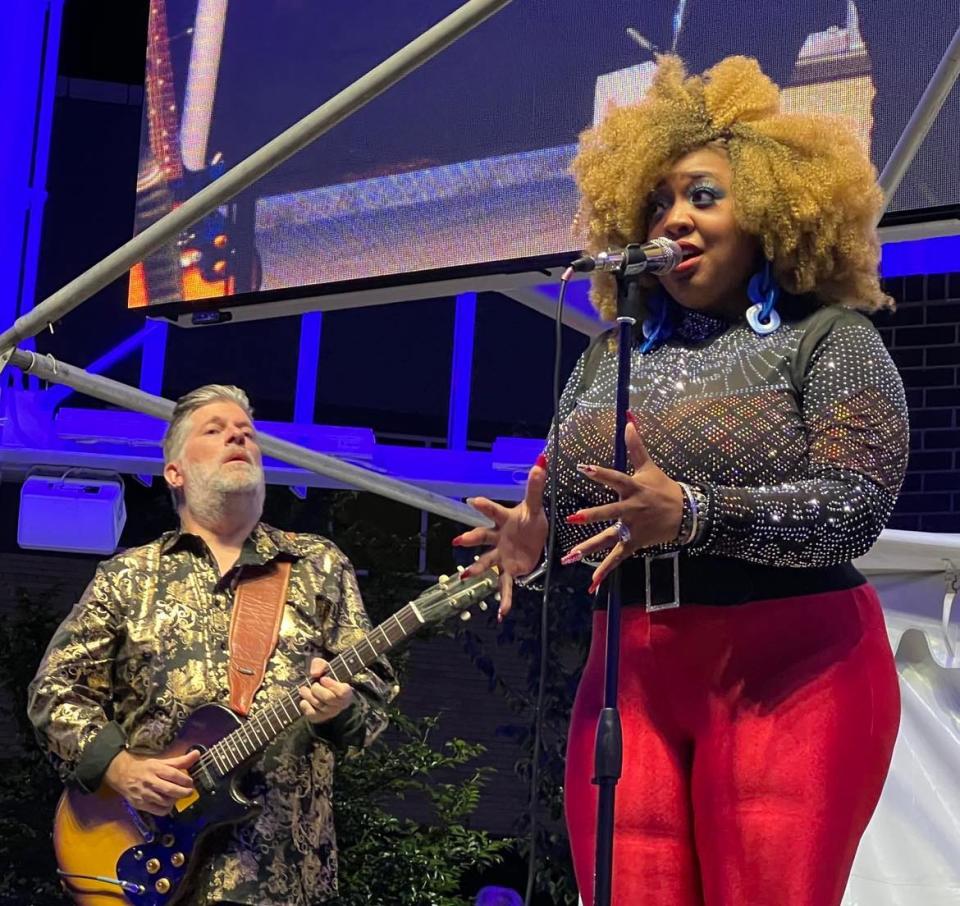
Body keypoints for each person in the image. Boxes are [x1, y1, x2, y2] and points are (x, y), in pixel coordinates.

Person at [456, 56, 907, 906]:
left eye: (703, 195)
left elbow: (855, 507)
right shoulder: (607, 359)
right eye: (658, 201)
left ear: (775, 210)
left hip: (792, 667)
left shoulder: (829, 338)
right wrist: (536, 541)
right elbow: (567, 494)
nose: (675, 219)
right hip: (628, 668)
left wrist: (697, 513)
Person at [28, 384, 397, 906]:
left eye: (247, 432)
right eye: (215, 430)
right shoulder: (129, 576)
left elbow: (372, 696)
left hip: (286, 878)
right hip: (148, 870)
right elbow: (53, 691)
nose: (238, 436)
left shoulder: (319, 565)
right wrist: (119, 768)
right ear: (175, 471)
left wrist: (339, 708)